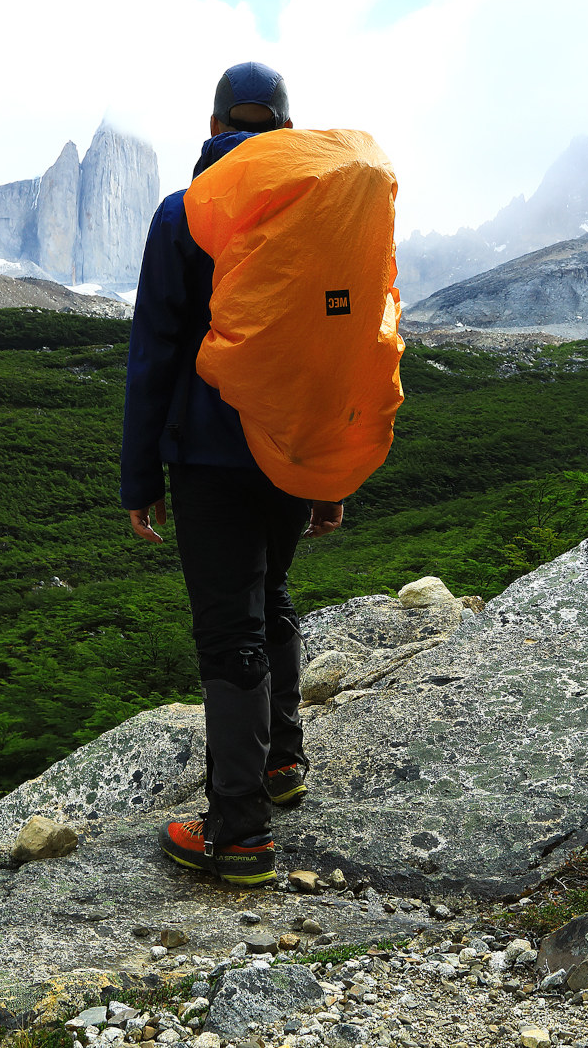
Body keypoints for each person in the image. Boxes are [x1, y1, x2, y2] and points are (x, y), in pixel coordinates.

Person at [121, 61, 342, 886]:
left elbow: (154, 355)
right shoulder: (317, 210)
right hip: (290, 453)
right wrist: (329, 470)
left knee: (229, 630)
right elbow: (335, 352)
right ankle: (281, 763)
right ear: (285, 128)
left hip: (210, 458)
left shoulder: (184, 215)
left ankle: (239, 832)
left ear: (214, 124)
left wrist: (139, 477)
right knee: (273, 591)